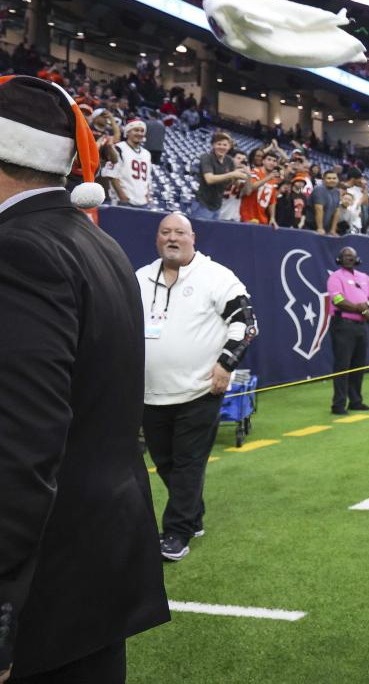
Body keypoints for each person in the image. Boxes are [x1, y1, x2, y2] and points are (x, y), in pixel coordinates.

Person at [0, 74, 169, 684]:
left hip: (43, 589)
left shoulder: (20, 251)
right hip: (98, 570)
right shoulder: (97, 246)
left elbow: (20, 447)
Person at [137, 212, 258, 562]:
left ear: (194, 237)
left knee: (189, 463)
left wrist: (225, 365)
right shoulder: (140, 278)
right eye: (165, 232)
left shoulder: (217, 277)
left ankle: (176, 532)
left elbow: (246, 325)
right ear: (157, 238)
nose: (171, 238)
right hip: (150, 393)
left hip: (200, 391)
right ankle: (193, 514)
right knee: (165, 462)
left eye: (179, 232)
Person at [327, 246, 369, 415]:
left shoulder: (364, 277)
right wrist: (361, 309)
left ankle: (356, 401)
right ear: (339, 259)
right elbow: (338, 299)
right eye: (345, 256)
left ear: (357, 259)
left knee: (358, 365)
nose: (349, 258)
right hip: (343, 325)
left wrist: (367, 306)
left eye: (352, 256)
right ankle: (338, 405)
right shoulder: (335, 277)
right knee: (343, 365)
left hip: (361, 327)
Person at [190, 132, 247, 221]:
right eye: (218, 144)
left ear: (229, 147)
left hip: (217, 205)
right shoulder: (207, 158)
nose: (221, 147)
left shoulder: (229, 161)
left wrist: (239, 176)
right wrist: (232, 174)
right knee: (199, 232)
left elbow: (234, 183)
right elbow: (209, 179)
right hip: (203, 204)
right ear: (213, 145)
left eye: (225, 145)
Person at [112, 119, 153, 208]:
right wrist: (122, 196)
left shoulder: (147, 153)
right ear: (128, 132)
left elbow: (148, 178)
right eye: (136, 130)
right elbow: (112, 175)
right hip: (125, 201)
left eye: (142, 131)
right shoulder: (118, 148)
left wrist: (148, 195)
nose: (139, 133)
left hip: (143, 202)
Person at [239, 151, 280, 226]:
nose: (272, 162)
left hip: (262, 219)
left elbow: (272, 201)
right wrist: (267, 178)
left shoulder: (273, 180)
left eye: (274, 161)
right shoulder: (254, 172)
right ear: (263, 161)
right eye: (269, 159)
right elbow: (250, 188)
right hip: (247, 216)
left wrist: (272, 217)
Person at [311, 169, 342, 235]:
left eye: (334, 178)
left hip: (326, 230)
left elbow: (337, 211)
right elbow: (319, 209)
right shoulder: (319, 189)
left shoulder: (337, 192)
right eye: (329, 178)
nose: (332, 180)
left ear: (337, 179)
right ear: (323, 179)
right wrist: (320, 228)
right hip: (312, 228)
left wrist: (333, 230)